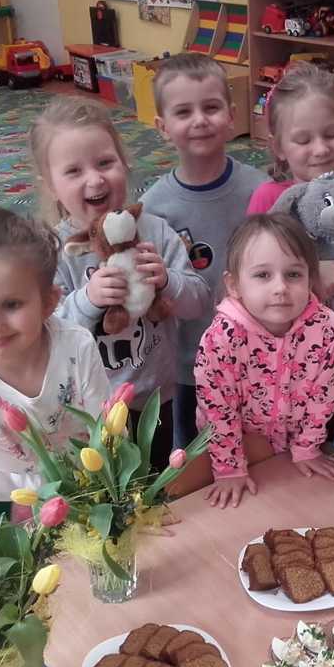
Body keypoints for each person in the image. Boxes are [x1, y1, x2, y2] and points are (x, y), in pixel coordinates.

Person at [29, 95, 211, 471]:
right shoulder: (56, 251)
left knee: (157, 478)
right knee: (106, 486)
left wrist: (168, 281)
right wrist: (88, 300)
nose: (95, 179)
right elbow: (45, 334)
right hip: (91, 403)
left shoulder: (155, 231)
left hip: (157, 397)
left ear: (124, 163)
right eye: (73, 171)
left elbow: (199, 301)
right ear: (51, 186)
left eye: (105, 162)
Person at [0, 207, 111, 537]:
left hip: (86, 485)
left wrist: (120, 504)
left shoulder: (77, 346)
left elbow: (108, 430)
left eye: (11, 304)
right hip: (7, 496)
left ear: (49, 302)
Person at [140, 53, 269, 448]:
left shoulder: (259, 190)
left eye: (211, 107)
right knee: (196, 456)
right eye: (184, 112)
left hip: (258, 352)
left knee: (258, 449)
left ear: (231, 116)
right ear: (163, 127)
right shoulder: (153, 208)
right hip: (188, 363)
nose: (199, 120)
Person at [194, 214, 334, 509]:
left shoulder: (325, 326)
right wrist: (229, 469)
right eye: (263, 275)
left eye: (293, 274)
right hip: (234, 456)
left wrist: (307, 447)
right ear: (234, 285)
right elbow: (217, 410)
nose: (280, 287)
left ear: (310, 278)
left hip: (292, 455)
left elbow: (325, 393)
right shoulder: (221, 338)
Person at [246, 63, 334, 302]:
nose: (321, 149)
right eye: (303, 140)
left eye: (331, 134)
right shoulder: (269, 199)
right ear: (279, 147)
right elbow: (252, 273)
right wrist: (312, 273)